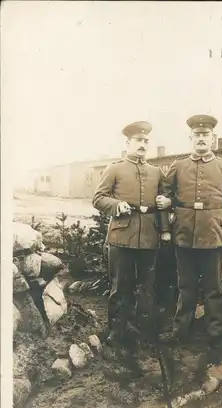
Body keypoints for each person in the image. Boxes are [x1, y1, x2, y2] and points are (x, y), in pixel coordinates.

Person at [156, 114, 222, 361]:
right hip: (184, 236)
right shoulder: (178, 166)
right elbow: (164, 198)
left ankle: (216, 337)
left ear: (213, 139)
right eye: (197, 135)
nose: (201, 139)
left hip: (214, 235)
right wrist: (167, 220)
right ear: (190, 138)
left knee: (214, 289)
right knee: (186, 287)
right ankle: (181, 331)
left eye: (205, 135)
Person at [92, 121, 171, 345]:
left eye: (146, 141)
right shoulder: (114, 169)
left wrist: (164, 230)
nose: (143, 144)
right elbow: (98, 198)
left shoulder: (156, 172)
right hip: (121, 236)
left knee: (147, 287)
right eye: (138, 140)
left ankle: (143, 333)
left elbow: (161, 204)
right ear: (128, 143)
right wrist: (116, 205)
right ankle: (117, 332)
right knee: (120, 287)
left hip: (149, 236)